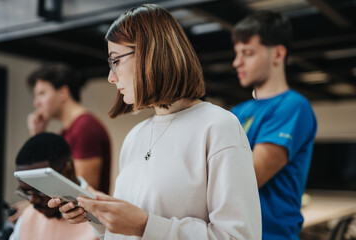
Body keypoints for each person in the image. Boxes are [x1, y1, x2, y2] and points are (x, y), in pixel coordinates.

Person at [49, 4, 262, 240]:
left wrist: (145, 225)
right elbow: (129, 231)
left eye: (115, 61)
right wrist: (100, 220)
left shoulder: (218, 126)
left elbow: (239, 236)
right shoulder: (135, 136)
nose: (111, 77)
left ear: (149, 54)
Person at [230, 11, 317, 240]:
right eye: (237, 53)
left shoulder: (293, 106)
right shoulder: (236, 112)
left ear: (278, 54)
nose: (237, 62)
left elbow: (248, 178)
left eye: (247, 53)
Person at [26, 64, 111, 194]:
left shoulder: (85, 127)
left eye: (42, 93)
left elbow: (84, 190)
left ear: (63, 93)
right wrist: (37, 136)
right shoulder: (66, 132)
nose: (36, 103)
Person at [9, 132, 97, 240]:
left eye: (39, 190)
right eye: (26, 192)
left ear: (67, 171)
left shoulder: (101, 217)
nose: (32, 200)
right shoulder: (26, 218)